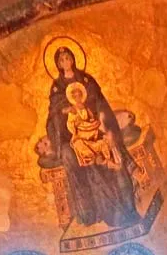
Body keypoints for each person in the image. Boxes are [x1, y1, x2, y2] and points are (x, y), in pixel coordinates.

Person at [38, 47, 138, 230]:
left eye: (68, 57)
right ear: (58, 64)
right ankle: (99, 211)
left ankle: (129, 209)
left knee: (115, 161)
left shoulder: (86, 80)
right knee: (86, 161)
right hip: (74, 137)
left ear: (73, 59)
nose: (65, 61)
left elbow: (101, 105)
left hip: (97, 131)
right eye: (61, 60)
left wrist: (106, 128)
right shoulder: (57, 87)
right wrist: (67, 111)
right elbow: (54, 115)